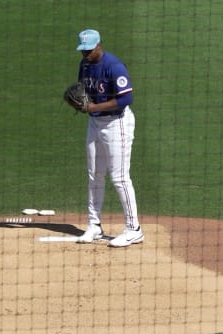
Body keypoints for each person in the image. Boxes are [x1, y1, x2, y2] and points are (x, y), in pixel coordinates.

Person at [73, 29, 144, 248]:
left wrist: (93, 106)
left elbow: (126, 99)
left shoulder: (114, 66)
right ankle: (94, 225)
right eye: (82, 50)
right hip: (95, 123)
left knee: (120, 177)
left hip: (117, 124)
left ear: (98, 46)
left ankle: (134, 229)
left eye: (88, 50)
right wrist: (81, 103)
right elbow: (82, 89)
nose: (85, 54)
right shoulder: (84, 64)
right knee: (95, 174)